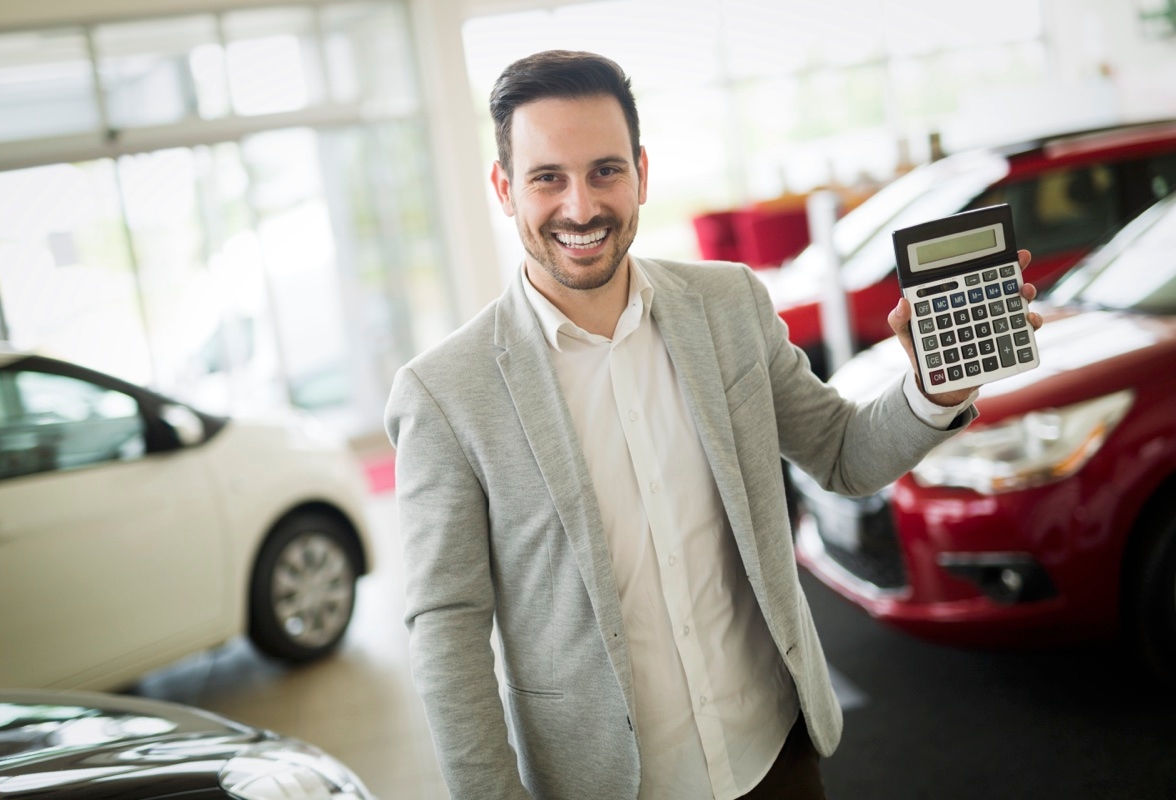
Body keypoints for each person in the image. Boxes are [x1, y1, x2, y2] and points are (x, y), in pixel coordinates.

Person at [384, 50, 1042, 800]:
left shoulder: (729, 304)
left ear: (640, 173)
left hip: (775, 757)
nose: (579, 207)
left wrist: (933, 385)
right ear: (505, 188)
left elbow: (841, 453)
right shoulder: (444, 394)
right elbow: (448, 635)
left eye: (604, 171)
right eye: (547, 178)